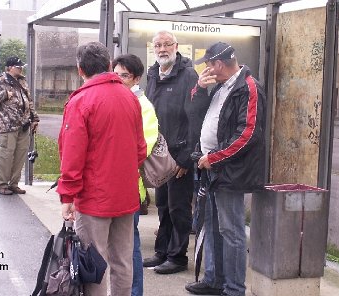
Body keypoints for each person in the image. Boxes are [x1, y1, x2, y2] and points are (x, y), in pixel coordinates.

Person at [58, 42, 147, 296]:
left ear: (80, 70)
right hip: (126, 196)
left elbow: (72, 156)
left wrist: (68, 195)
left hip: (94, 197)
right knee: (122, 261)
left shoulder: (81, 101)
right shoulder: (130, 98)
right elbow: (140, 149)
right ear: (109, 66)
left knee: (93, 263)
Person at [185, 42, 266, 296]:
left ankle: (233, 288)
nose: (207, 69)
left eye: (209, 64)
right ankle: (214, 279)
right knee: (211, 226)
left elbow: (248, 133)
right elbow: (193, 115)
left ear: (219, 64)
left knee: (231, 231)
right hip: (210, 167)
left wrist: (216, 158)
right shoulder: (218, 87)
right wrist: (199, 88)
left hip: (230, 170)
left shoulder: (248, 87)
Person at [143, 30, 200, 274]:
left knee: (179, 208)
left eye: (167, 45)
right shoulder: (153, 73)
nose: (162, 49)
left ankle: (177, 257)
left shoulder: (188, 75)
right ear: (153, 48)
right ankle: (162, 251)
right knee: (163, 205)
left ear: (176, 46)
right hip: (160, 155)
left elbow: (196, 118)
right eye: (158, 45)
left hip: (179, 156)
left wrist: (187, 158)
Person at [112, 54, 159, 296]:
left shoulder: (143, 105)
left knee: (130, 247)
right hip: (114, 186)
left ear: (136, 78)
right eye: (116, 74)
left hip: (130, 187)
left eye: (125, 76)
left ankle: (134, 292)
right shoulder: (116, 99)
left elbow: (145, 146)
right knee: (120, 248)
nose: (119, 79)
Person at [0, 56, 39, 195]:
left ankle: (14, 183)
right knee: (6, 156)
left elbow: (28, 101)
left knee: (20, 156)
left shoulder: (22, 82)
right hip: (7, 126)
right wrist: (4, 94)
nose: (20, 69)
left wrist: (34, 119)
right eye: (17, 66)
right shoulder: (0, 82)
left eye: (21, 66)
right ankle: (2, 184)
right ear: (9, 68)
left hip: (24, 125)